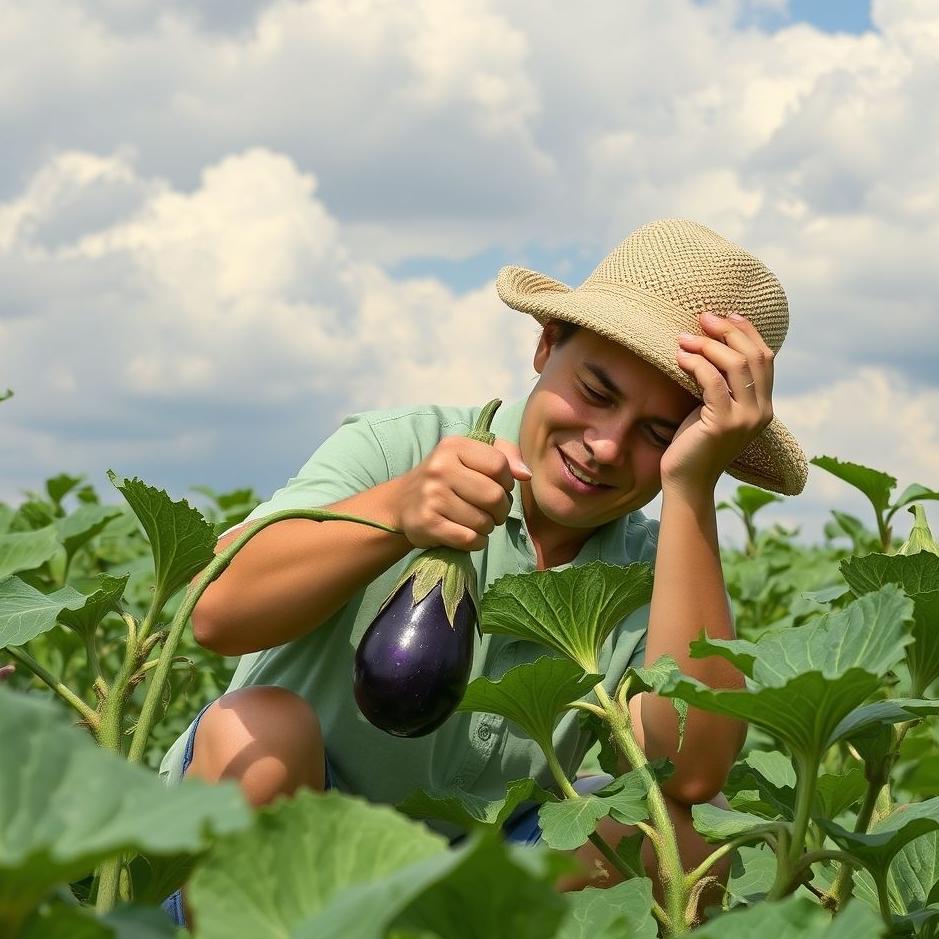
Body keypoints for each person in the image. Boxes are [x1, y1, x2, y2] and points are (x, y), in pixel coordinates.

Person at [159, 218, 807, 925]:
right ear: (545, 344)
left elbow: (692, 773)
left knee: (680, 838)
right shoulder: (399, 446)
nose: (605, 445)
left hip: (469, 889)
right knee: (259, 727)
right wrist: (398, 510)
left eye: (660, 433)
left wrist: (689, 490)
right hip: (287, 852)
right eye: (595, 391)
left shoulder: (660, 562)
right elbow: (216, 613)